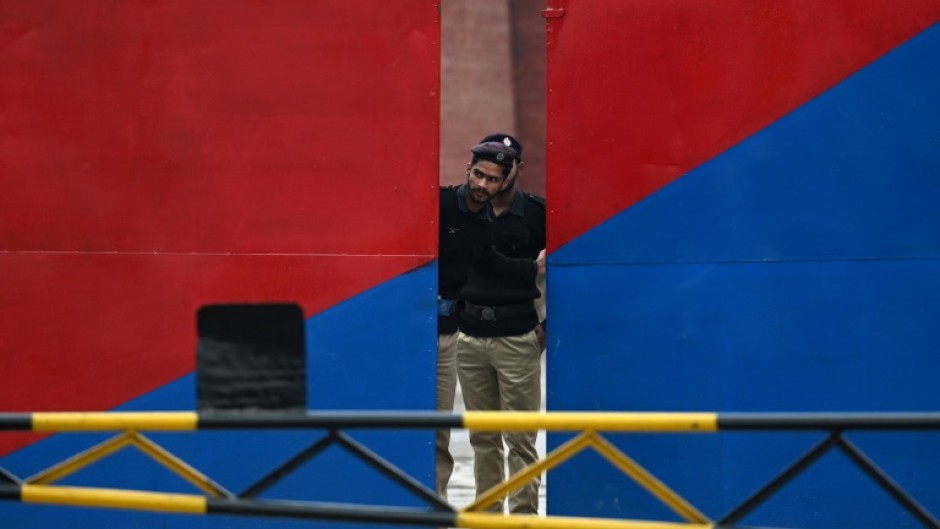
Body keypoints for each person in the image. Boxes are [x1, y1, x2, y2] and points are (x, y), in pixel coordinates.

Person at [436, 137, 545, 500]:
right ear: (469, 170)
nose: (484, 185)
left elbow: (563, 275)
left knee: (521, 438)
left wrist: (544, 328)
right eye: (479, 175)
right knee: (481, 438)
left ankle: (524, 522)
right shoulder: (452, 208)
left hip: (516, 335)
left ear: (513, 174)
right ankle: (486, 519)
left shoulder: (534, 214)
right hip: (466, 334)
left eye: (494, 178)